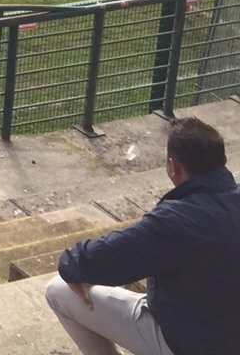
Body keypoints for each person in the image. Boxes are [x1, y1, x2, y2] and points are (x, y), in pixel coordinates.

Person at [45, 117, 240, 355]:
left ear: (172, 167)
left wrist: (73, 266)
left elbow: (89, 260)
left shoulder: (175, 221)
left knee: (58, 291)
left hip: (191, 343)